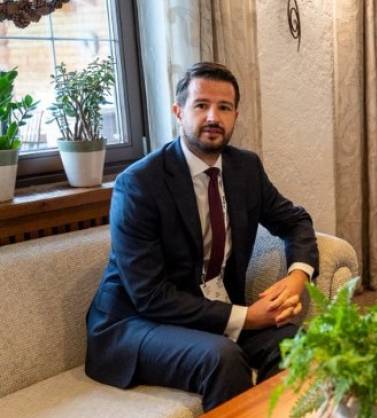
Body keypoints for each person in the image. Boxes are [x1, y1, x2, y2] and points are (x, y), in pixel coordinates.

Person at [85, 62, 319, 411]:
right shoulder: (139, 184)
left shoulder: (245, 168)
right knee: (222, 357)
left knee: (298, 343)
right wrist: (246, 317)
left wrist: (298, 276)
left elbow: (295, 220)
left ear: (236, 115)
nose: (213, 117)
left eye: (224, 107)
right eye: (201, 105)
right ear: (179, 112)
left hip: (207, 309)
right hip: (135, 322)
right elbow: (150, 296)